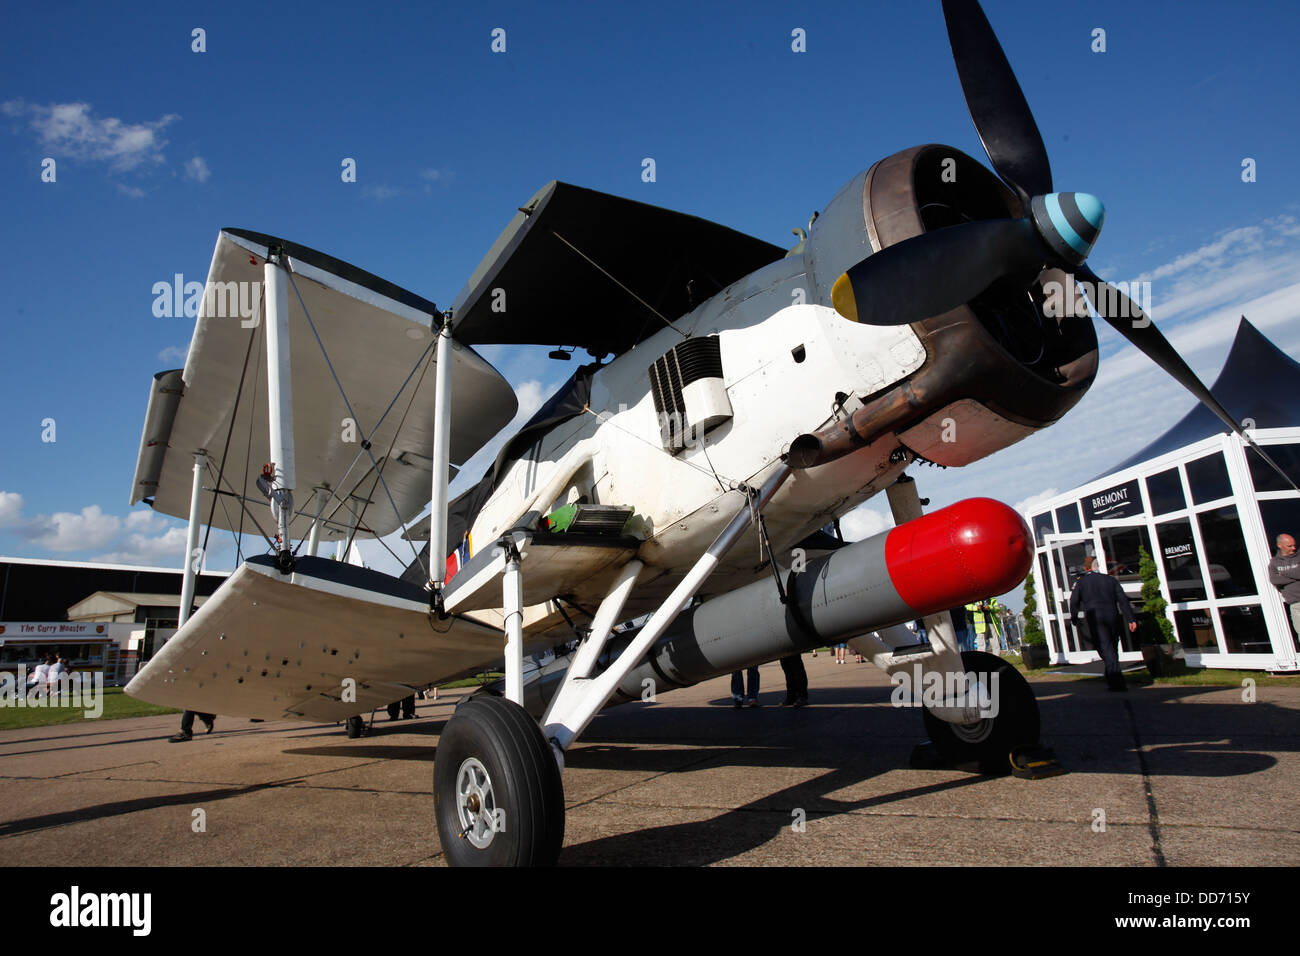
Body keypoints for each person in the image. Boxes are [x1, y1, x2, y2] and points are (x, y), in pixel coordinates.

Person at [1070, 556, 1138, 691]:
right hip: (1112, 616)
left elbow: (1074, 601)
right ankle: (1111, 674)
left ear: (1086, 568)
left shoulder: (1082, 583)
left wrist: (1074, 617)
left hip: (1096, 618)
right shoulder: (1110, 580)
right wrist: (1131, 619)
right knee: (1112, 645)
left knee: (1105, 647)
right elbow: (1123, 600)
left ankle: (1116, 680)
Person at [1268, 533, 1300, 641]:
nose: (1294, 548)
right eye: (1289, 546)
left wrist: (1283, 573)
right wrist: (1294, 575)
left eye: (1294, 545)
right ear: (1280, 545)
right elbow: (1274, 579)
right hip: (1295, 604)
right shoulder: (1275, 562)